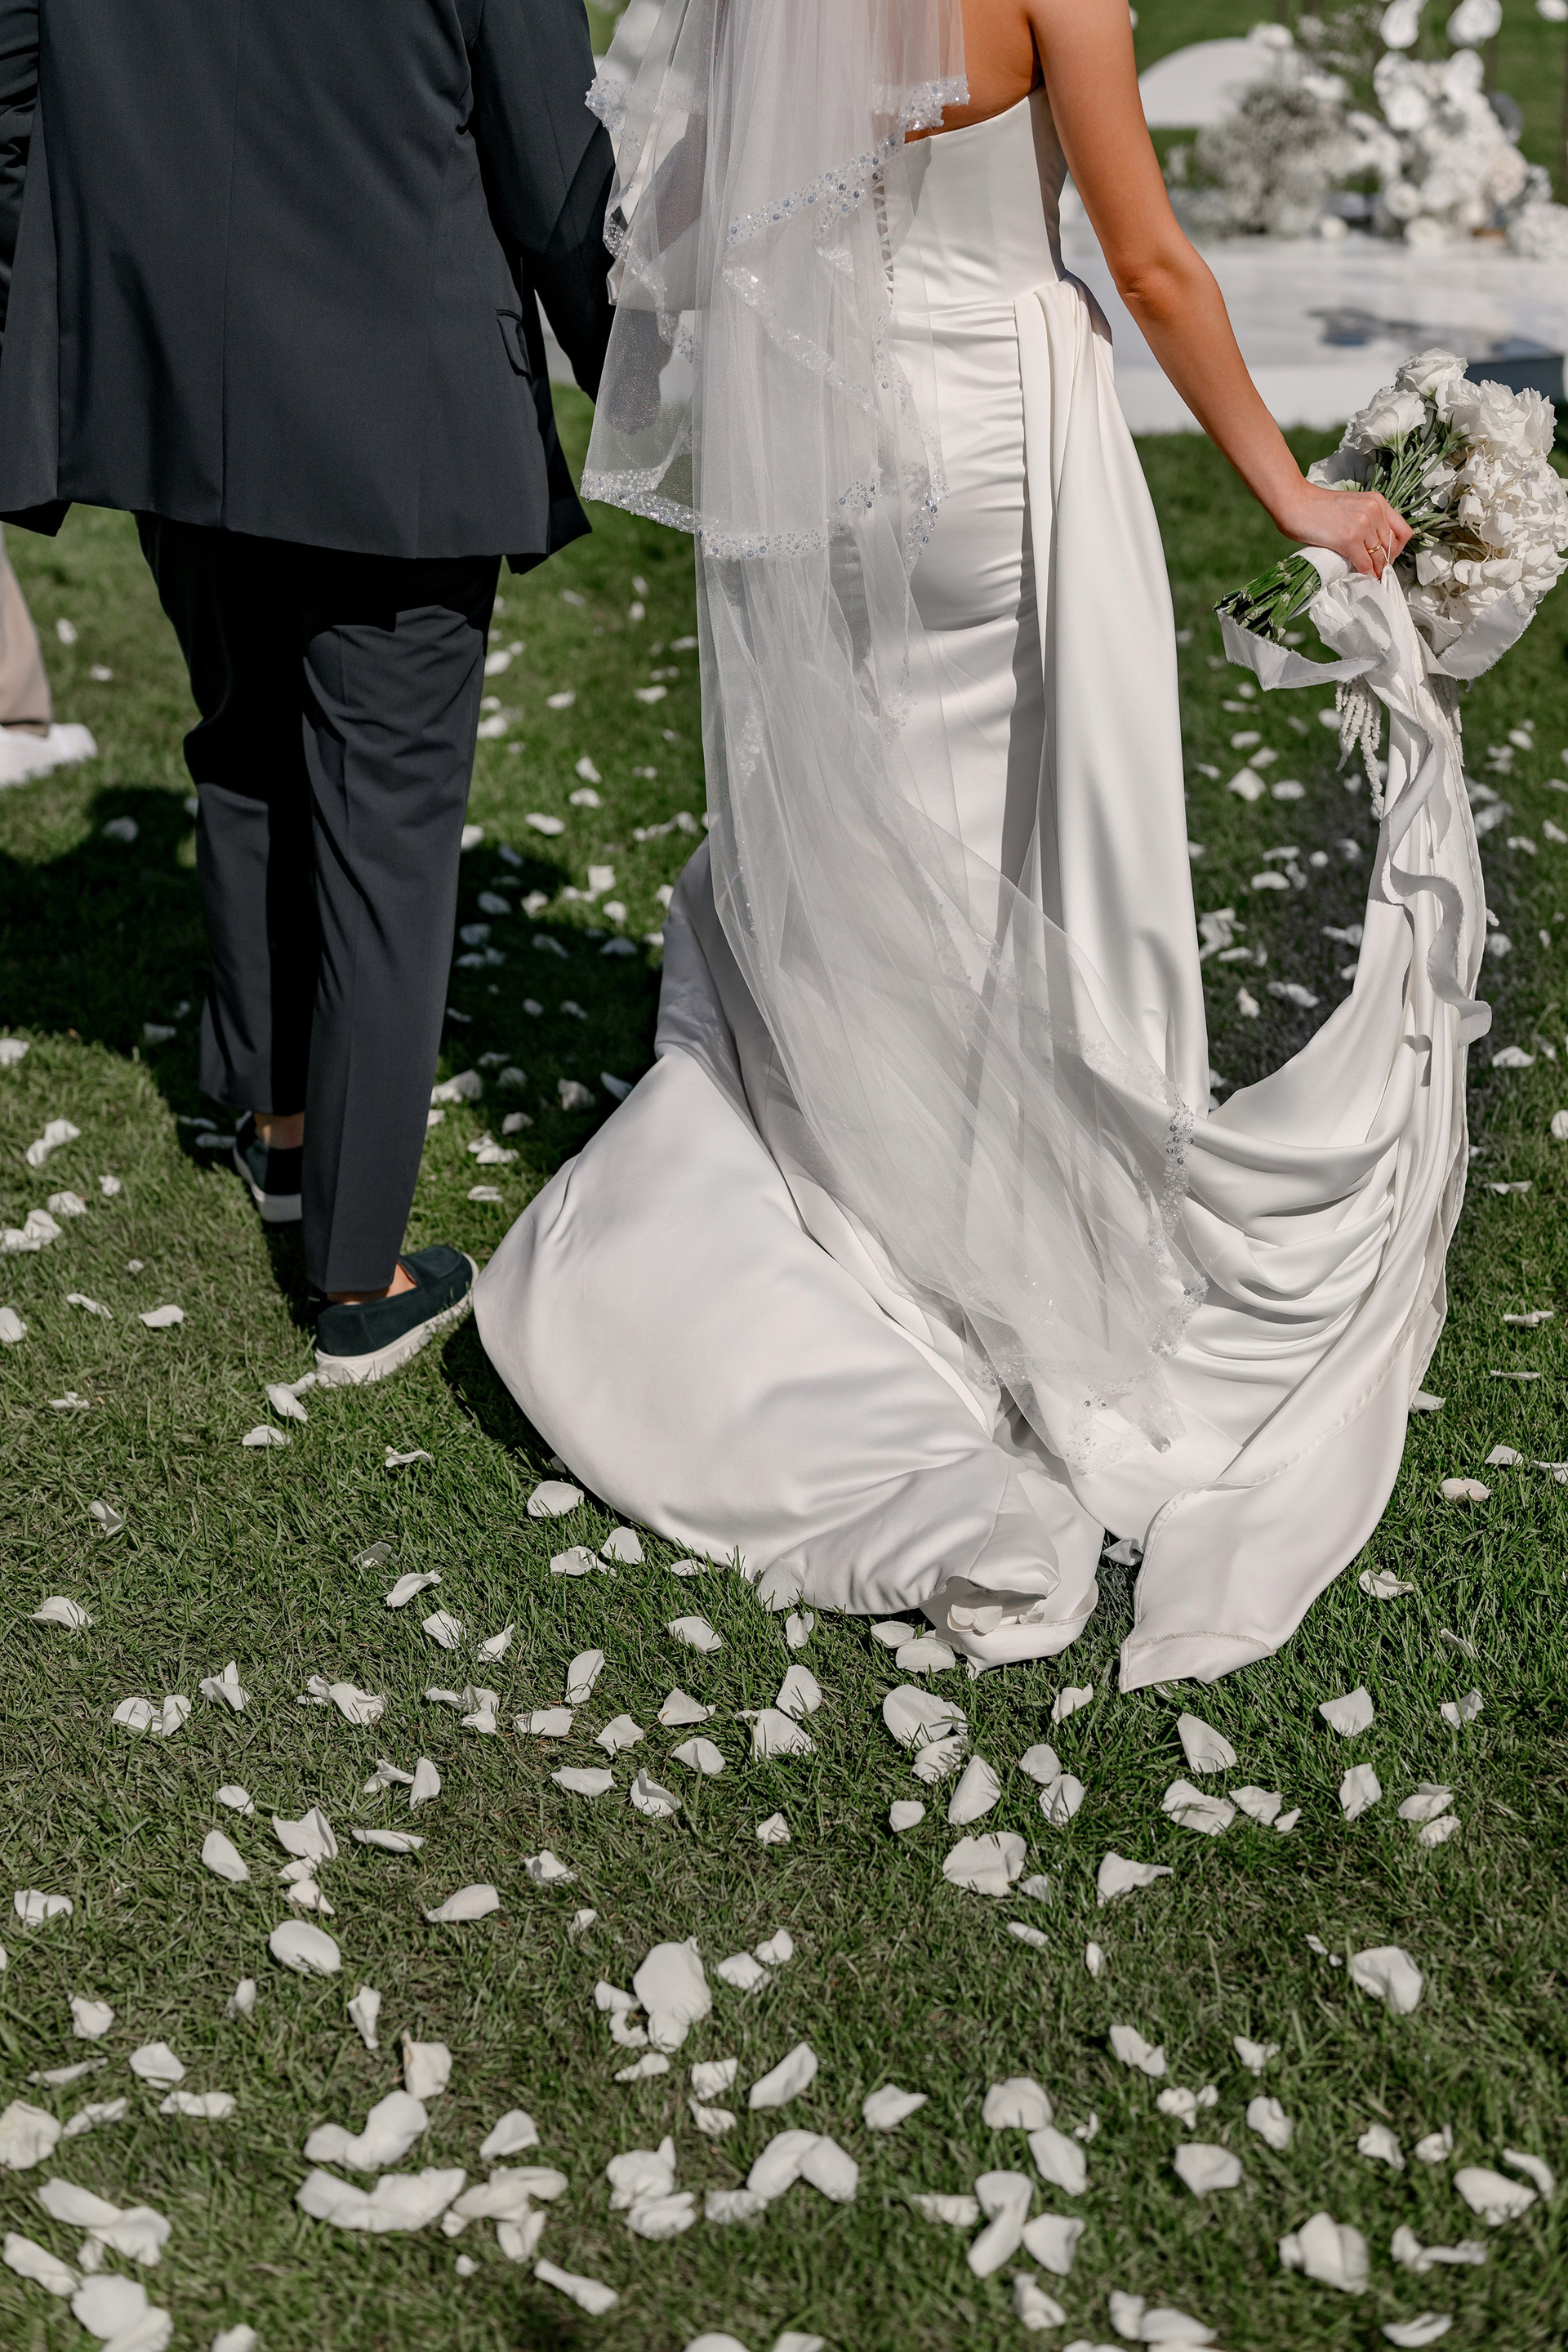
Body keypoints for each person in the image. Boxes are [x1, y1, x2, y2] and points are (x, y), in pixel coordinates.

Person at [474, 0, 1482, 1688]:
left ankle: (880, 1176)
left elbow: (692, 215)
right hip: (1008, 445)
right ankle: (1044, 1228)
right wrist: (1293, 496)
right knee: (1038, 850)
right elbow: (1150, 264)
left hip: (848, 448)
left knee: (891, 833)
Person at [0, 0, 614, 1382]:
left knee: (246, 742)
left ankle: (279, 1129)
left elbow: (10, 103)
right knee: (385, 825)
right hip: (398, 404)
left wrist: (72, 323)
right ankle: (356, 1273)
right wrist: (634, 369)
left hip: (164, 389)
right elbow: (558, 174)